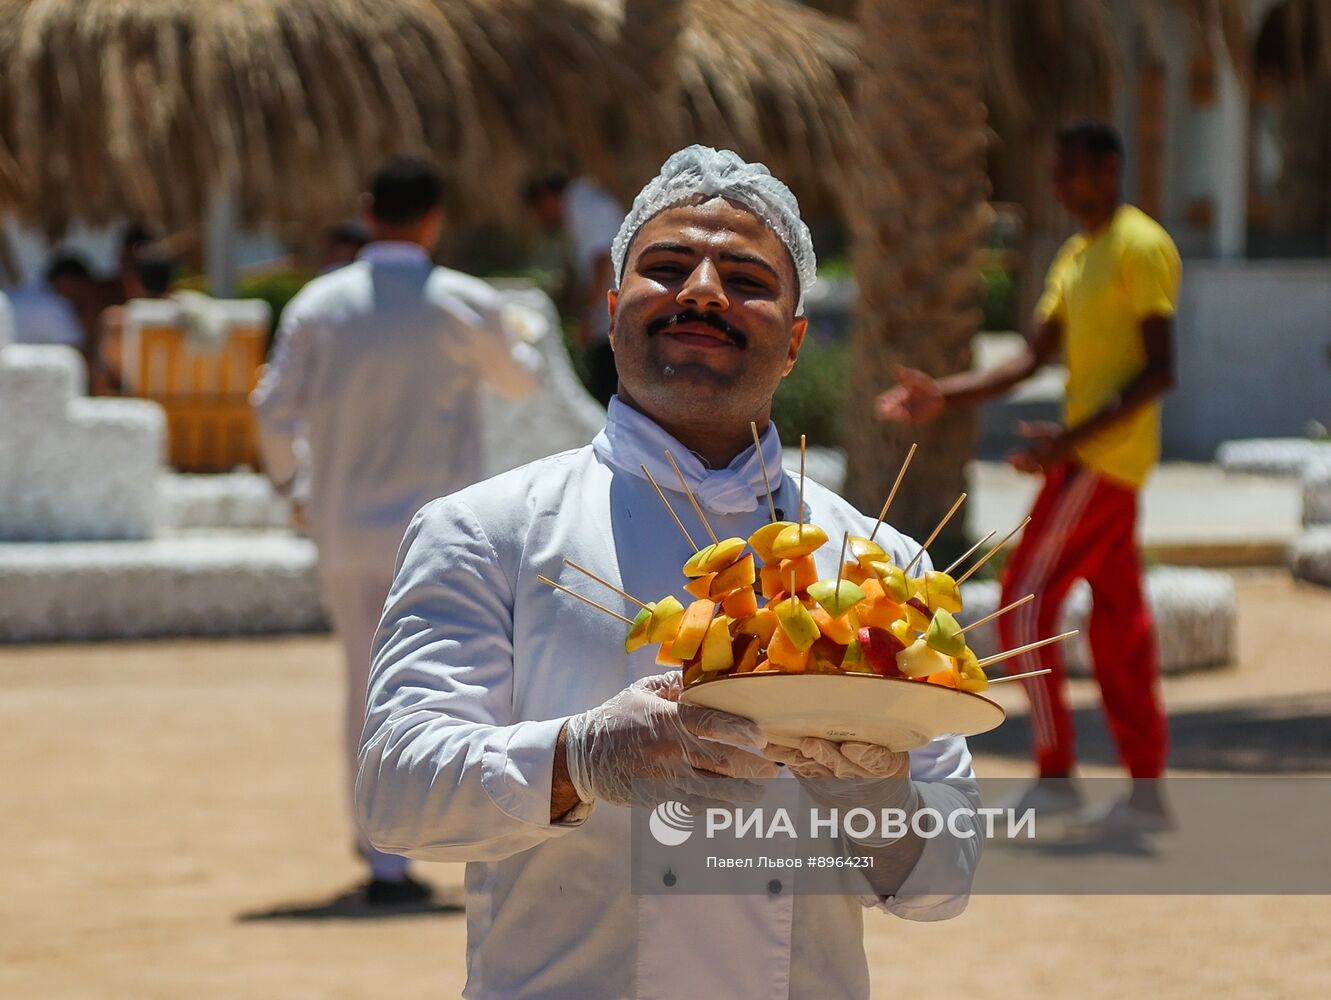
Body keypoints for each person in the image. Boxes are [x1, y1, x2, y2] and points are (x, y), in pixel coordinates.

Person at [358, 146, 981, 998]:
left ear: (795, 342)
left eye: (747, 278)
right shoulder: (486, 530)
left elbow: (945, 880)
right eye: (665, 266)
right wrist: (581, 756)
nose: (701, 291)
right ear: (611, 310)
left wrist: (876, 791)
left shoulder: (875, 562)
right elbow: (397, 792)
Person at [251, 154, 542, 904]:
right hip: (443, 539)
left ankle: (383, 855)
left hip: (345, 528)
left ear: (365, 207)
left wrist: (295, 483)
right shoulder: (463, 301)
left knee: (364, 683)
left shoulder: (319, 304)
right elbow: (521, 379)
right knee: (479, 681)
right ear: (435, 218)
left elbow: (269, 408)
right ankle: (479, 838)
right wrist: (527, 332)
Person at [875, 120, 1178, 832]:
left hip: (1100, 464)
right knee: (1118, 631)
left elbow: (1160, 369)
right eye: (1055, 170)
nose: (1057, 184)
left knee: (1020, 608)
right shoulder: (1074, 257)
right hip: (1093, 461)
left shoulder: (1140, 245)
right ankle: (1147, 796)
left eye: (1071, 170)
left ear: (1109, 169)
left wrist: (1067, 441)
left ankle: (1054, 776)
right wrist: (944, 393)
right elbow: (1030, 358)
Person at [525, 173, 624, 404]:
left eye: (539, 210)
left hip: (610, 322)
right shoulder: (583, 205)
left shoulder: (586, 207)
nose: (542, 218)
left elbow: (602, 261)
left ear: (547, 198)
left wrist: (589, 315)